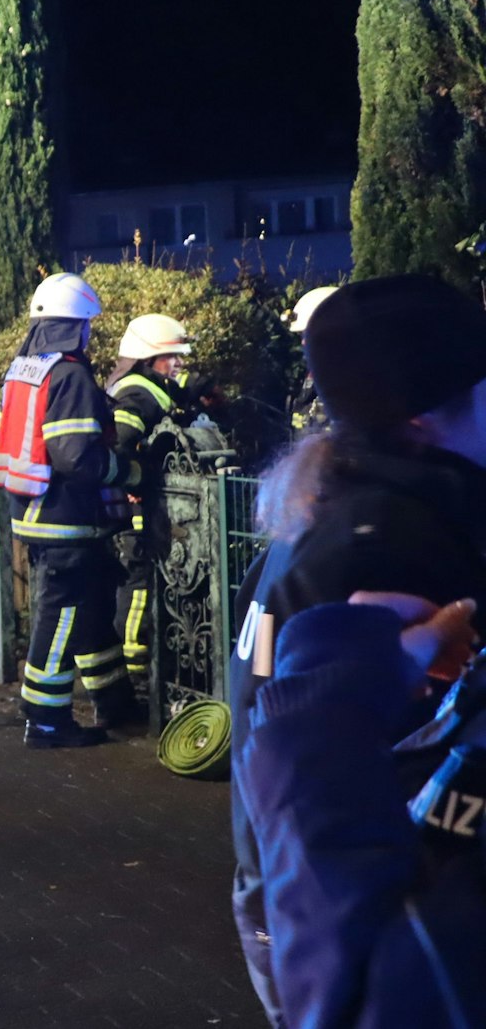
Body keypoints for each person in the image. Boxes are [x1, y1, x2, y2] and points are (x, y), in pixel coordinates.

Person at [228, 273, 486, 1023]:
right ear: (426, 415)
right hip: (357, 920)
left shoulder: (337, 503)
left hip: (289, 887)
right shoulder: (399, 542)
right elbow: (417, 775)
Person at [237, 592, 486, 1028]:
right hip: (294, 864)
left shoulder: (332, 562)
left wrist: (320, 709)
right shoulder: (327, 563)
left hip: (295, 860)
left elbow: (378, 993)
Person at [0, 272, 143, 747]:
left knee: (90, 611)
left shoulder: (26, 369)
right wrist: (129, 472)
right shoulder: (70, 374)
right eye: (86, 325)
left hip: (38, 513)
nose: (89, 333)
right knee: (58, 622)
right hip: (66, 520)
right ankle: (45, 721)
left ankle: (115, 703)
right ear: (73, 326)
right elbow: (76, 456)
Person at [107, 313, 201, 686]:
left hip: (150, 509)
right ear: (148, 359)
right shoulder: (136, 395)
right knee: (138, 586)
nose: (177, 363)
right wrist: (136, 479)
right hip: (137, 511)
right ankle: (136, 676)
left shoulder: (152, 389)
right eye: (171, 357)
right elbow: (119, 446)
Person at [284, 285, 337, 435]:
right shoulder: (316, 375)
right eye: (302, 335)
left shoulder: (353, 381)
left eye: (308, 334)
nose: (303, 342)